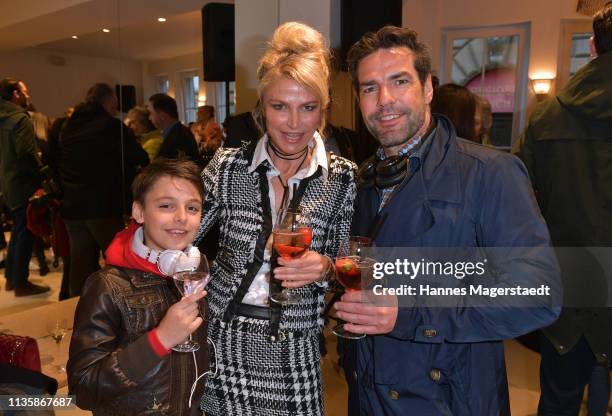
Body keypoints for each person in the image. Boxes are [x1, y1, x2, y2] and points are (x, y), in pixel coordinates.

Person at [334, 26, 561, 415]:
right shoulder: (364, 179)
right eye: (370, 88)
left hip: (451, 402)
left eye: (399, 81)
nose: (384, 100)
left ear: (427, 89)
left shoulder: (491, 173)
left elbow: (538, 295)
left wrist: (408, 314)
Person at [196, 22, 356, 416]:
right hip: (222, 339)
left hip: (295, 348)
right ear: (261, 106)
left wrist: (325, 267)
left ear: (324, 109)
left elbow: (351, 267)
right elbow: (182, 234)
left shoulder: (343, 177)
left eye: (308, 107)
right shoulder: (228, 166)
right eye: (280, 106)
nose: (294, 124)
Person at [513, 4, 612, 415]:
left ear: (591, 46)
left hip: (570, 282)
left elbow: (519, 202)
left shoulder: (547, 115)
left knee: (558, 398)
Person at [68, 159, 208, 415]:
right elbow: (83, 390)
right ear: (139, 212)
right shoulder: (108, 286)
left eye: (192, 208)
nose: (181, 218)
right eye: (166, 206)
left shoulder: (196, 274)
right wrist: (159, 339)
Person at [59, 83, 149, 297]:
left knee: (78, 264)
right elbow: (139, 157)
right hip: (102, 204)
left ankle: (76, 311)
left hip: (72, 204)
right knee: (117, 260)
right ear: (108, 101)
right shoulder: (110, 126)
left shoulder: (68, 126)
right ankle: (120, 306)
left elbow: (56, 162)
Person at [0, 77, 50, 296]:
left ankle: (11, 278)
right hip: (22, 182)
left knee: (17, 231)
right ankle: (21, 282)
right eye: (25, 91)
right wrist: (41, 174)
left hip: (7, 182)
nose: (28, 95)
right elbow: (26, 155)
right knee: (25, 231)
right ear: (15, 95)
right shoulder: (20, 119)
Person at [147, 93, 200, 163]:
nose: (149, 118)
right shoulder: (177, 132)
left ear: (162, 115)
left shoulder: (180, 136)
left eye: (151, 113)